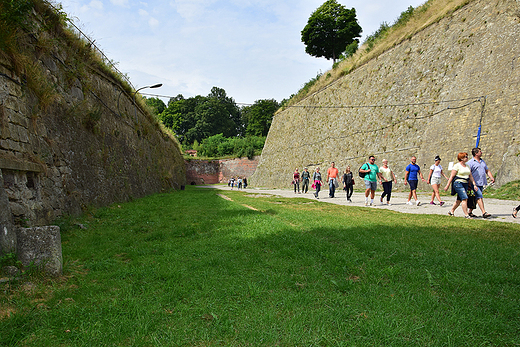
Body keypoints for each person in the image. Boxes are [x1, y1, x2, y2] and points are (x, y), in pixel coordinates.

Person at [444, 152, 479, 219]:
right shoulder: (457, 166)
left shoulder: (467, 166)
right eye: (466, 156)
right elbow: (451, 176)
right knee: (465, 198)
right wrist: (447, 185)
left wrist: (474, 184)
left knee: (459, 200)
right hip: (458, 183)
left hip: (465, 183)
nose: (467, 158)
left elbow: (470, 176)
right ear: (461, 158)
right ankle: (466, 215)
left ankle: (451, 211)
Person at [467, 147, 495, 218]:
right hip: (474, 183)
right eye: (480, 151)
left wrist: (491, 177)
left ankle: (470, 211)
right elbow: (467, 174)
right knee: (479, 196)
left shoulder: (482, 161)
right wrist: (469, 184)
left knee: (477, 198)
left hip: (481, 182)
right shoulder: (470, 163)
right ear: (476, 153)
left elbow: (487, 170)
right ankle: (484, 212)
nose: (481, 152)